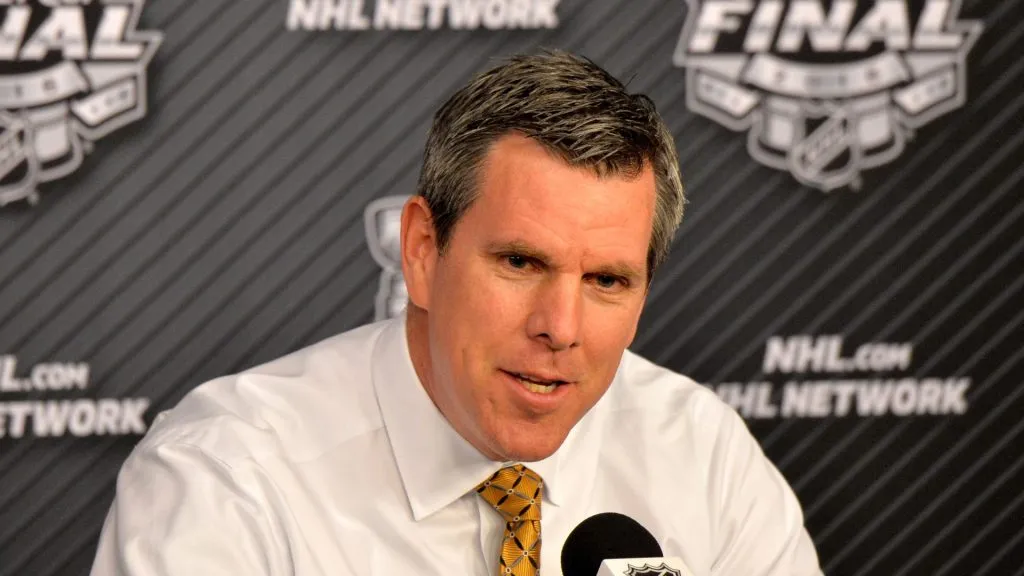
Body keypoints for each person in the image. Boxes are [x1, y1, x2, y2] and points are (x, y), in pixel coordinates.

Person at [91, 50, 823, 576]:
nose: (560, 327)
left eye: (606, 280)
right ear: (421, 251)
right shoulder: (225, 478)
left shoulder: (703, 457)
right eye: (520, 263)